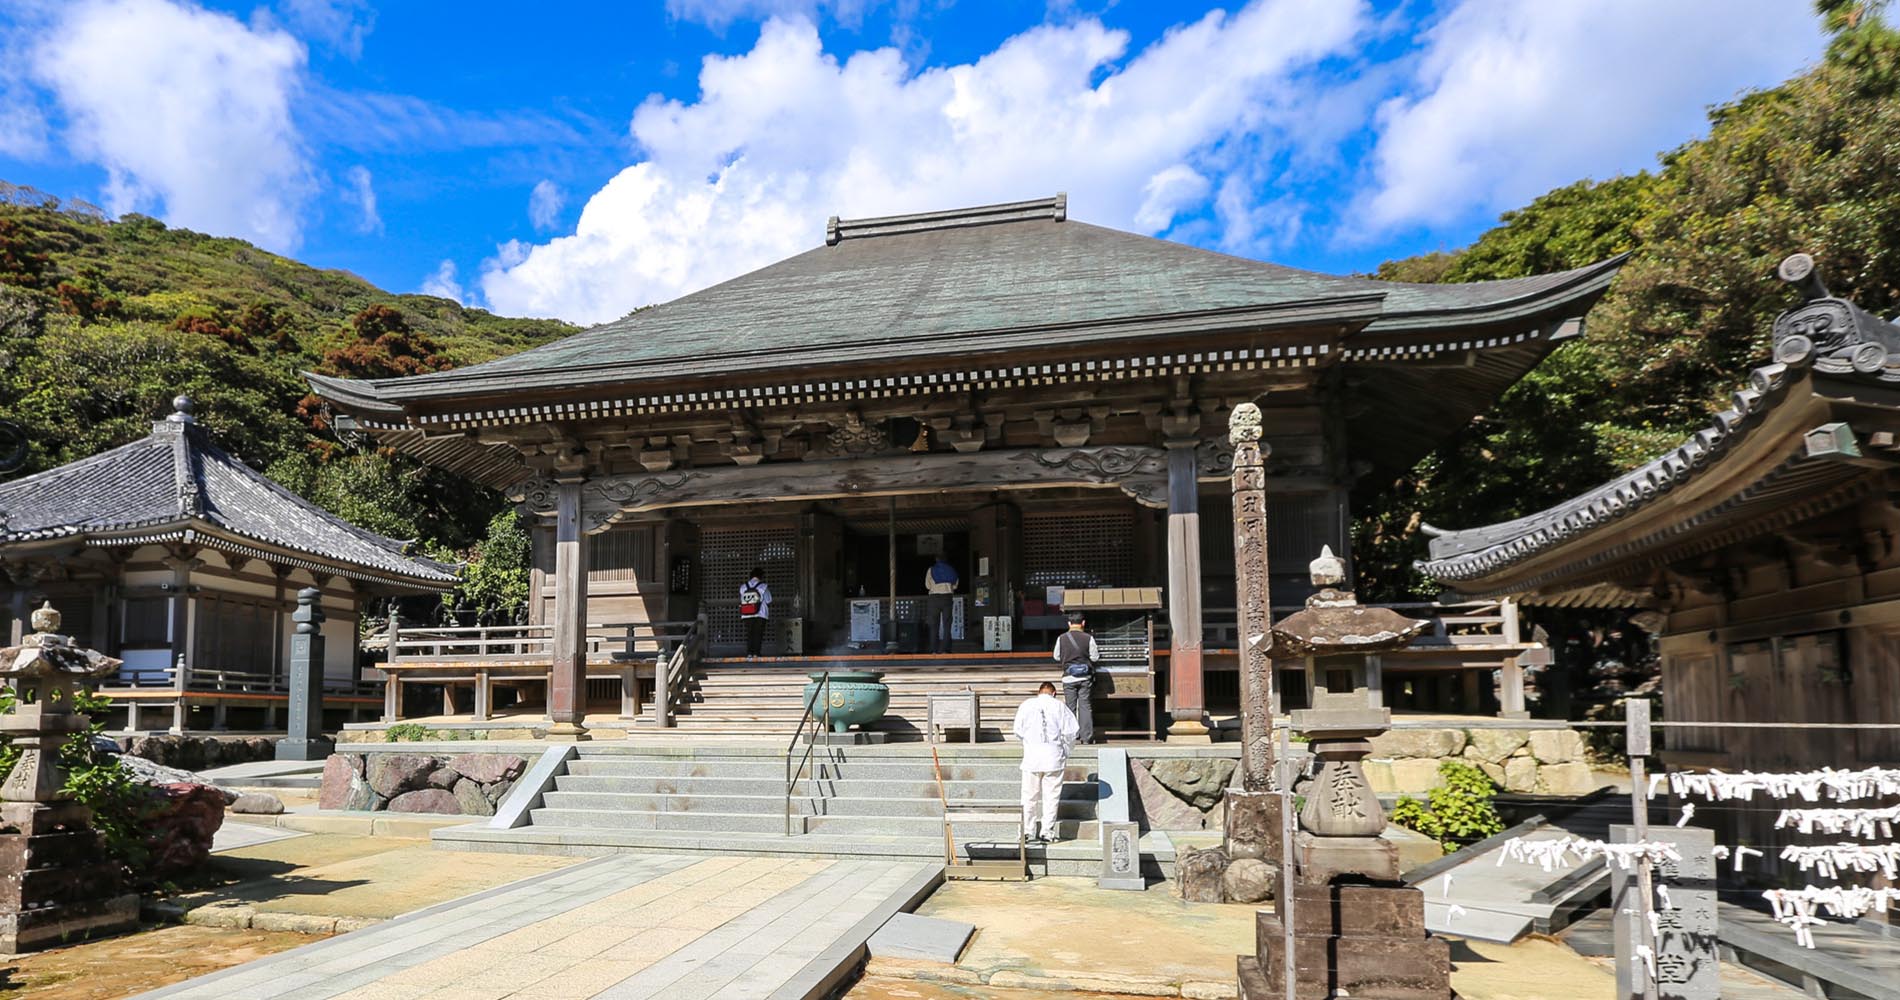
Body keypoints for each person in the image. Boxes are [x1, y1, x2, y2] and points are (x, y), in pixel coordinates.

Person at [1012, 681, 1078, 843]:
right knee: (1051, 796)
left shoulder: (1026, 705)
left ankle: (1027, 831)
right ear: (1054, 693)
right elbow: (1071, 731)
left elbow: (1017, 731)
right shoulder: (1059, 706)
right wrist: (1066, 751)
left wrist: (1029, 741)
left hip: (1032, 757)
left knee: (1028, 796)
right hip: (1053, 756)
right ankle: (1047, 831)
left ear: (1039, 692)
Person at [1053, 612, 1100, 744]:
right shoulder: (1088, 638)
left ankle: (1071, 737)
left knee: (1070, 707)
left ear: (1069, 624)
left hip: (1068, 677)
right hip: (1085, 678)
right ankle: (1087, 738)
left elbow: (1056, 656)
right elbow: (1095, 657)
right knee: (1085, 706)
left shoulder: (1061, 638)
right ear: (1083, 623)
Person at [923, 555, 959, 653]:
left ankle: (933, 650)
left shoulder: (931, 570)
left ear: (936, 560)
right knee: (947, 624)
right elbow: (955, 586)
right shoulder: (951, 570)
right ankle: (946, 650)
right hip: (947, 597)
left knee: (933, 624)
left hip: (934, 598)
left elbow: (927, 586)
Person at [739, 568, 772, 658]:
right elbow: (769, 600)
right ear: (761, 576)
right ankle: (756, 653)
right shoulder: (763, 586)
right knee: (758, 633)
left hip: (746, 613)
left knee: (750, 633)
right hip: (760, 613)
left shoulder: (743, 587)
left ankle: (749, 653)